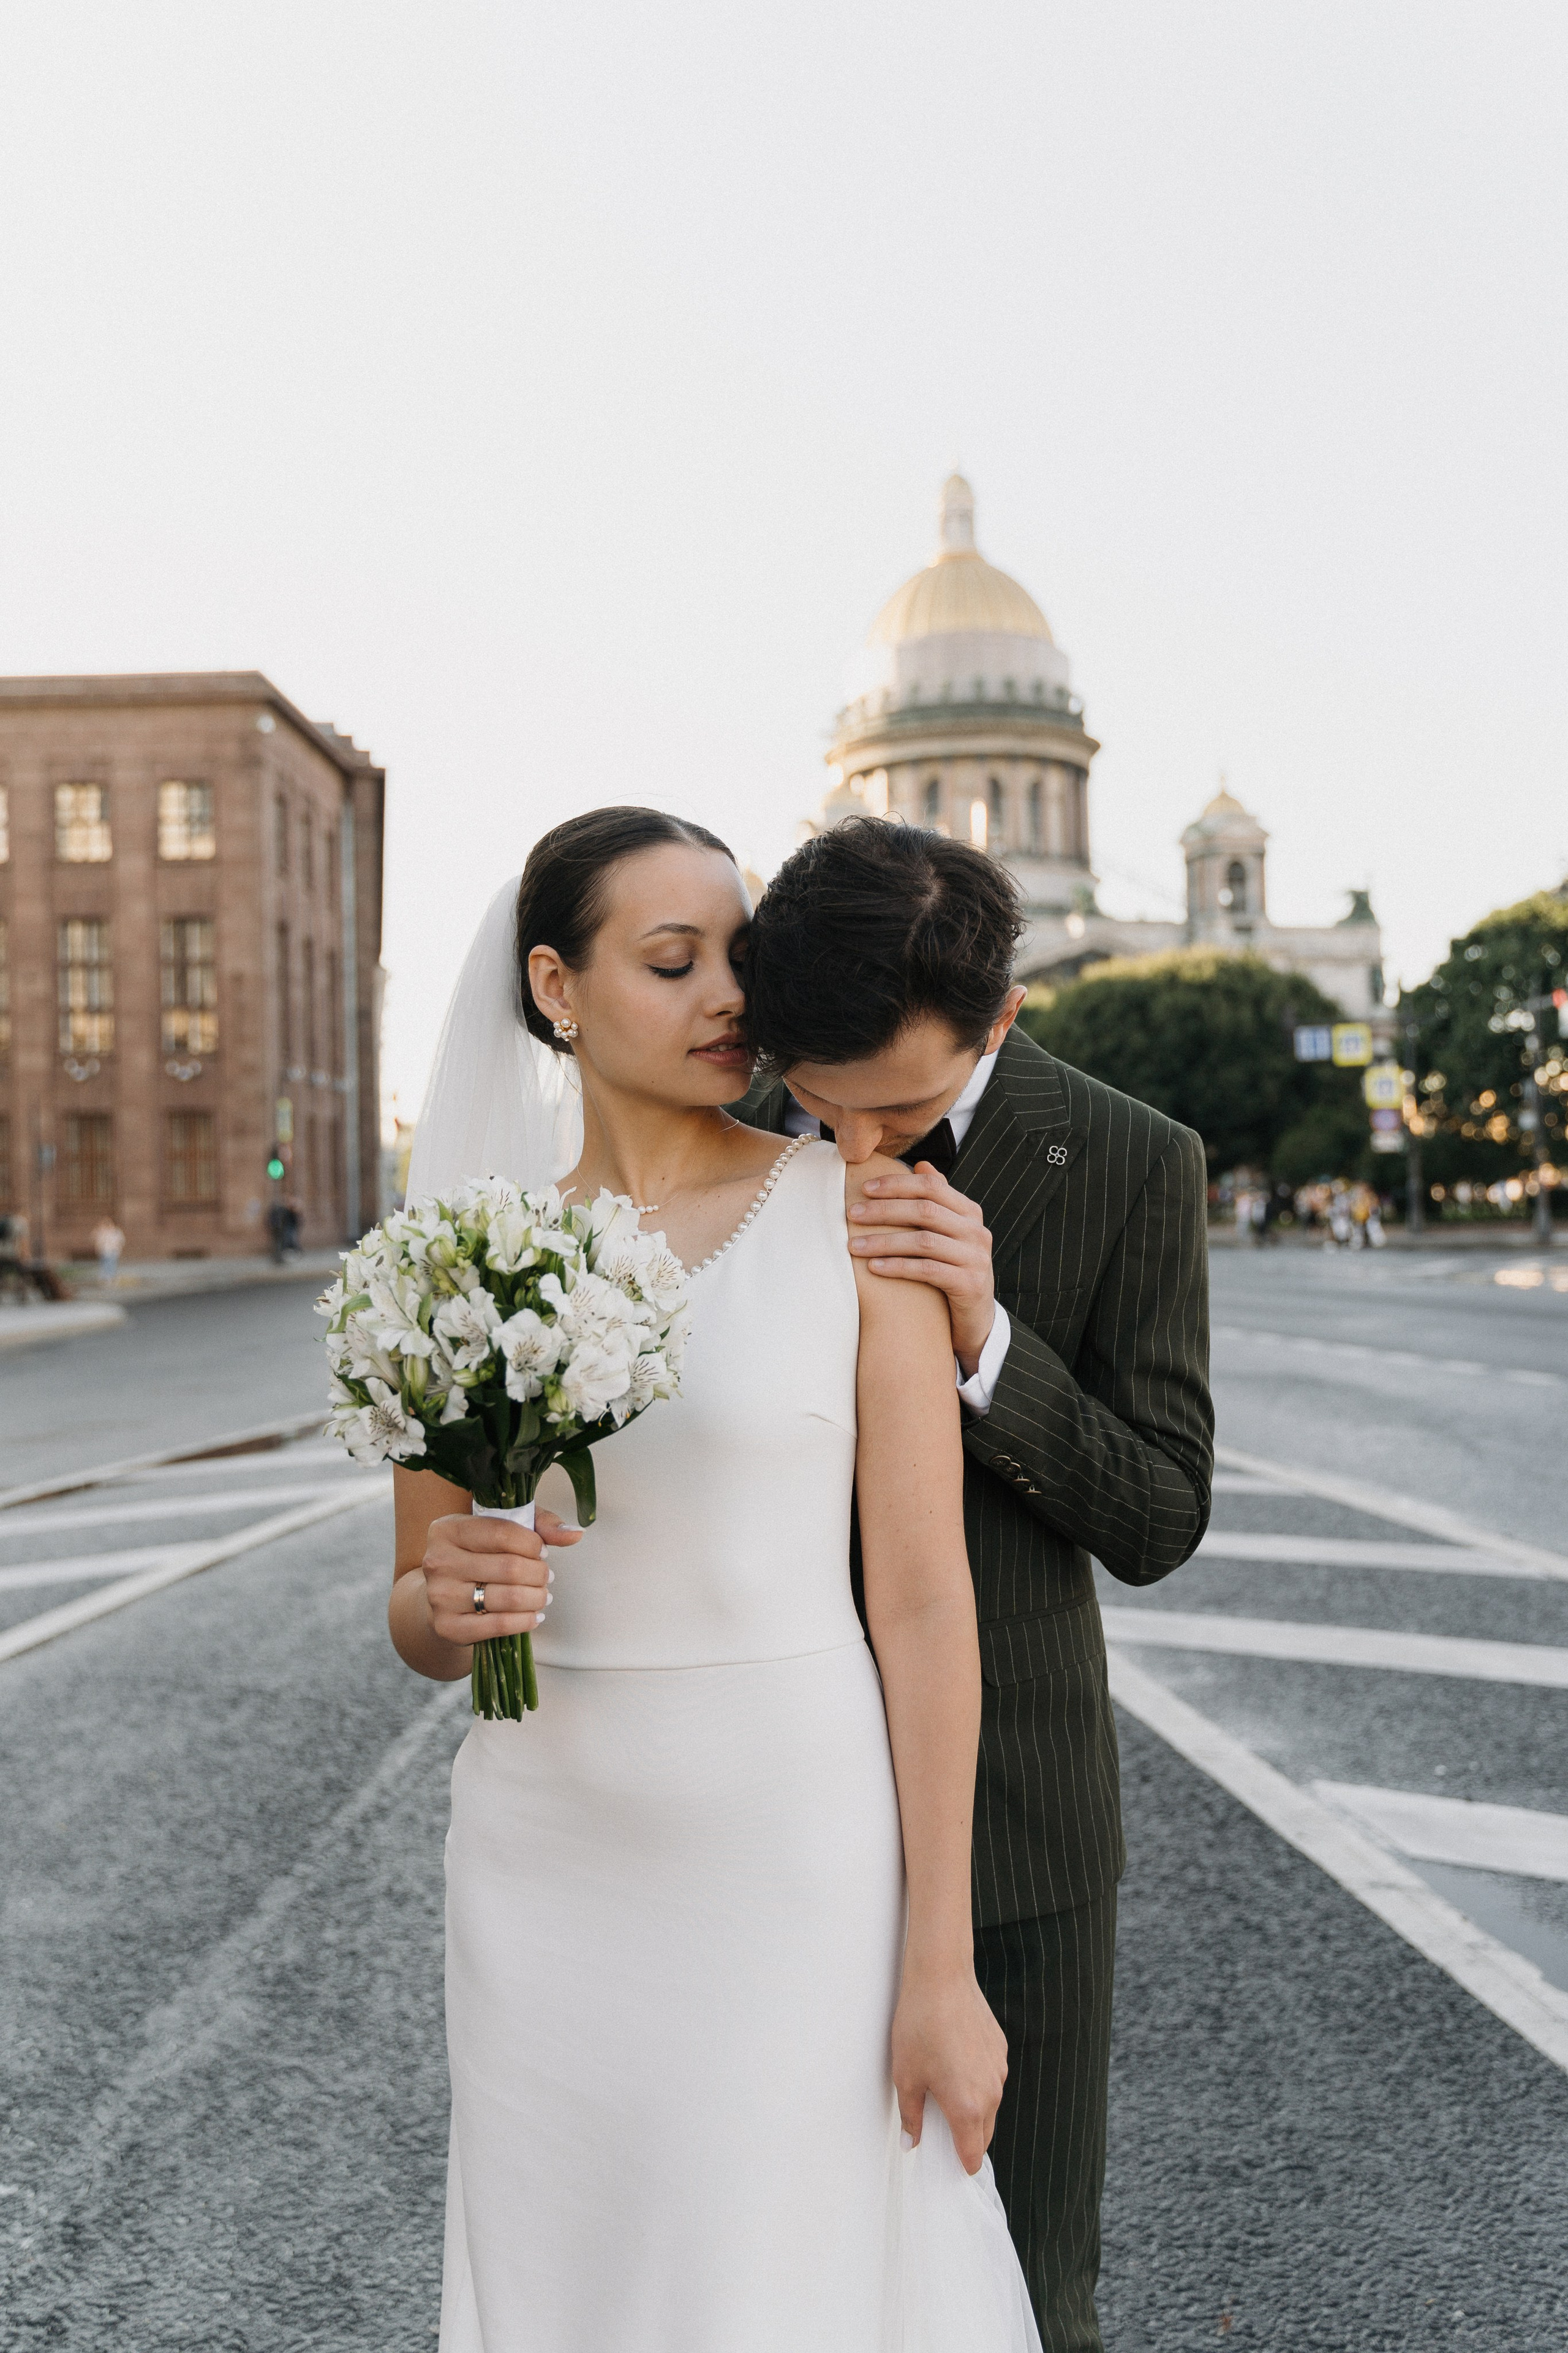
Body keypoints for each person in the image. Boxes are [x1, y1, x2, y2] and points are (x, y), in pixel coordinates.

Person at [392, 809, 1041, 2351]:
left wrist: (939, 1959)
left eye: (736, 957)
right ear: (555, 983)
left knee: (781, 2283)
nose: (724, 998)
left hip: (795, 1871)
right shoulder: (456, 1263)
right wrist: (452, 1594)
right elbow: (415, 1618)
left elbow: (923, 1601)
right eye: (670, 961)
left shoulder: (856, 1210)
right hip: (539, 1864)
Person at [739, 818, 1215, 2352]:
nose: (858, 1146)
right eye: (826, 1109)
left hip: (1018, 1819)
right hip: (753, 1813)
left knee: (1022, 2289)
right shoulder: (725, 1121)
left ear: (999, 1018)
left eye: (903, 1108)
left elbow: (1155, 1511)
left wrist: (985, 1340)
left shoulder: (1134, 1159)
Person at [92, 1215, 125, 1284]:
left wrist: (118, 1247)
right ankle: (105, 1277)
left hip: (113, 1251)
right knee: (105, 1264)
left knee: (111, 1264)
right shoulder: (102, 1232)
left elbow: (121, 1240)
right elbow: (96, 1239)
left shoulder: (116, 1232)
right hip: (104, 1251)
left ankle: (111, 1277)